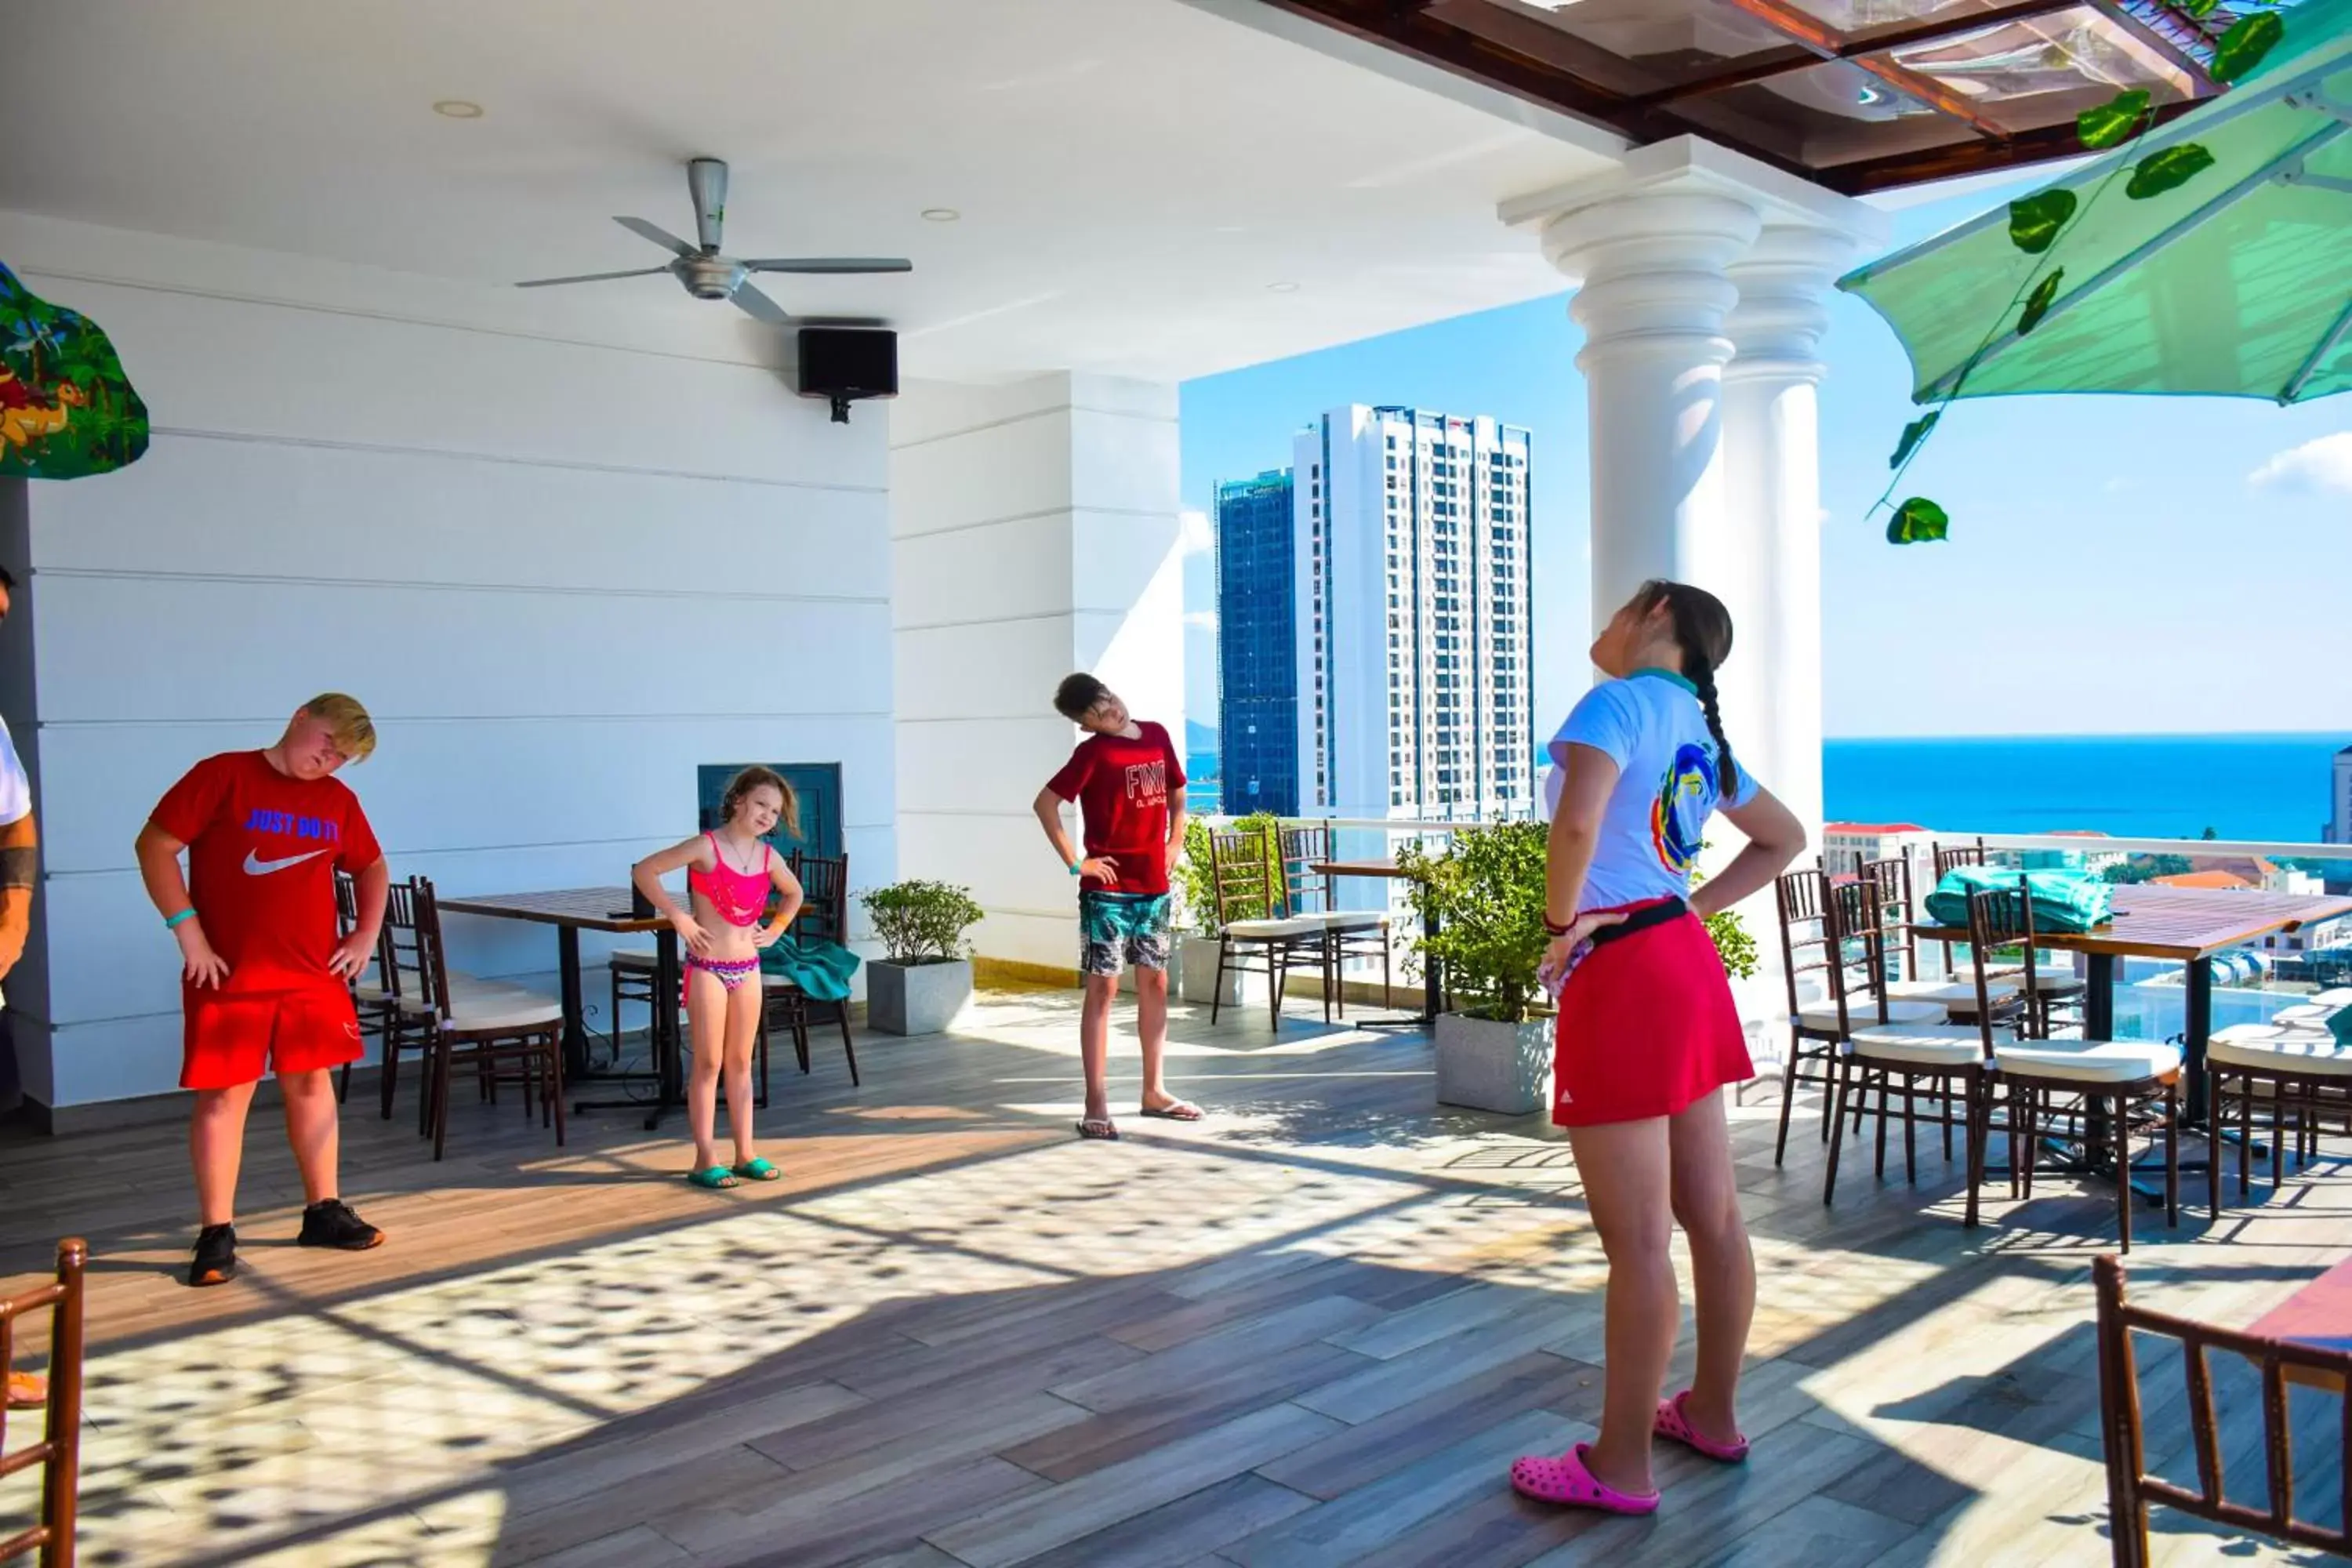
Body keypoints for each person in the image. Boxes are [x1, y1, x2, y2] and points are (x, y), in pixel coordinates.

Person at [1508, 580, 1806, 1515]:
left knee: (1637, 1239)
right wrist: (1686, 909)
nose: (1599, 624)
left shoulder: (1617, 701)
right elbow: (1785, 839)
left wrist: (1561, 924)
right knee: (1712, 1214)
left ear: (1655, 615)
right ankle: (1710, 1414)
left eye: (1614, 609)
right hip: (1679, 957)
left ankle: (1620, 1464)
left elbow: (1578, 822)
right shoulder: (1698, 729)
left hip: (1626, 970)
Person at [136, 695, 394, 1288]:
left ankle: (323, 1211)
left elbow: (372, 866)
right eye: (327, 743)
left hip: (312, 976)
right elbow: (155, 846)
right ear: (301, 717)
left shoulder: (337, 801)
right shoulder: (223, 775)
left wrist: (364, 935)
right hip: (228, 975)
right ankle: (216, 1232)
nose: (328, 760)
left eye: (342, 758)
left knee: (312, 1084)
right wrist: (188, 934)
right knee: (225, 1096)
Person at [1031, 674, 1203, 1142]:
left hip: (1154, 887)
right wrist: (1077, 864)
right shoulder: (1092, 755)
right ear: (1085, 725)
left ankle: (1154, 1091)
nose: (1110, 710)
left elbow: (1177, 792)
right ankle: (1096, 1101)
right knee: (1103, 991)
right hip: (1107, 894)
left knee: (1157, 983)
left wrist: (1176, 839)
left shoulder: (1157, 734)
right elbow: (1045, 804)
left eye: (1108, 697)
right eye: (1096, 711)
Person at [631, 767, 804, 1189]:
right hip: (707, 968)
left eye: (776, 811)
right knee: (708, 1063)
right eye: (762, 804)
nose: (768, 815)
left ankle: (745, 1152)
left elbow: (794, 893)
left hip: (747, 969)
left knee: (742, 1063)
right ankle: (704, 1155)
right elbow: (645, 871)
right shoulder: (706, 848)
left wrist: (777, 928)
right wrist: (678, 917)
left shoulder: (768, 857)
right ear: (740, 799)